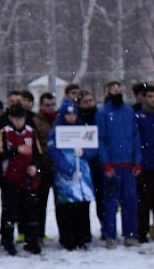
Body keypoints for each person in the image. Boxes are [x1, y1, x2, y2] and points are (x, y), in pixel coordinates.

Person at [96, 80, 142, 248]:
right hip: (112, 165)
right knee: (111, 200)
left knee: (130, 200)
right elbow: (100, 139)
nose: (118, 93)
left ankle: (130, 234)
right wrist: (105, 163)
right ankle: (109, 235)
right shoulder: (103, 113)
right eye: (114, 90)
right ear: (107, 93)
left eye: (119, 89)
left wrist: (137, 160)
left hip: (128, 164)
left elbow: (135, 136)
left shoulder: (129, 111)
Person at [47, 100, 96, 250]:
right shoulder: (56, 132)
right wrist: (68, 169)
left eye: (74, 114)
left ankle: (82, 237)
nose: (71, 117)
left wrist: (85, 152)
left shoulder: (83, 129)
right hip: (65, 177)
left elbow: (94, 147)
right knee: (67, 208)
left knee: (82, 207)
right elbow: (53, 152)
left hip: (83, 176)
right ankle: (68, 238)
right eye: (68, 114)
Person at [0, 103, 42, 255]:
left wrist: (35, 168)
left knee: (30, 210)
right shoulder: (5, 132)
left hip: (28, 177)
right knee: (10, 210)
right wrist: (16, 151)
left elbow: (38, 154)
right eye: (15, 118)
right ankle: (8, 241)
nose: (19, 121)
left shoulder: (31, 132)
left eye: (21, 118)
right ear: (10, 118)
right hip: (11, 177)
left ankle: (32, 241)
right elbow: (0, 154)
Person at [32, 92, 58, 243]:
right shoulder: (35, 121)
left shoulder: (59, 119)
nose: (49, 108)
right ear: (41, 106)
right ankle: (39, 233)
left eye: (52, 105)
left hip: (58, 167)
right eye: (46, 105)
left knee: (60, 204)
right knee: (40, 203)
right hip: (43, 166)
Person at [77, 89, 103, 240]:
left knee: (102, 199)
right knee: (83, 200)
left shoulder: (99, 116)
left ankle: (105, 228)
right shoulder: (77, 119)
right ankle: (84, 232)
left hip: (99, 163)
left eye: (90, 100)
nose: (89, 104)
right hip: (83, 165)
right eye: (85, 101)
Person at [135, 84, 154, 243]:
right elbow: (137, 141)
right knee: (144, 202)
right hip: (146, 166)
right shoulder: (139, 117)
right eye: (150, 96)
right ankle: (142, 232)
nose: (152, 100)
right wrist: (139, 161)